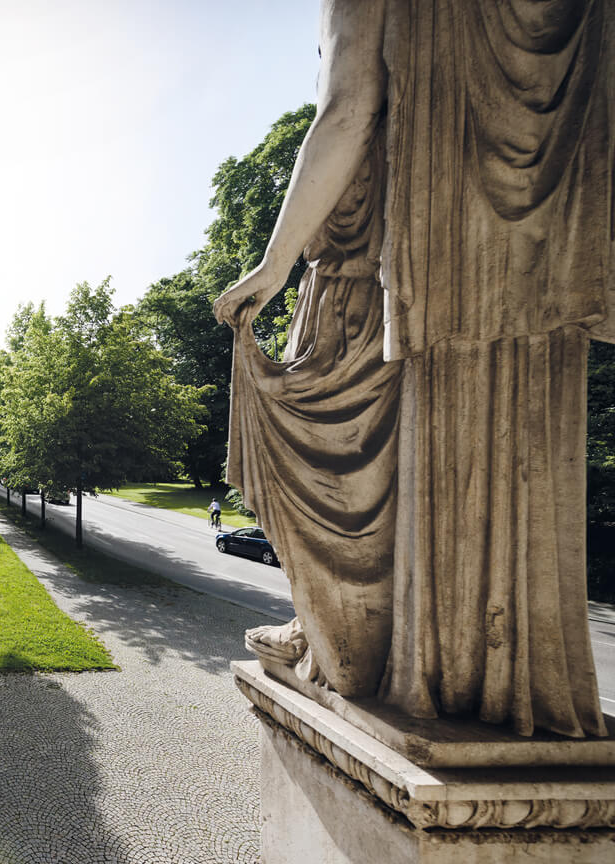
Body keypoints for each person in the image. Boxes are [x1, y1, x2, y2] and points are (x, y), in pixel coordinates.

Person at [215, 0, 611, 737]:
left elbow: (347, 109)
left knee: (331, 444)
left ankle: (350, 642)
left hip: (378, 270)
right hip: (516, 267)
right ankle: (468, 659)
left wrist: (271, 266)